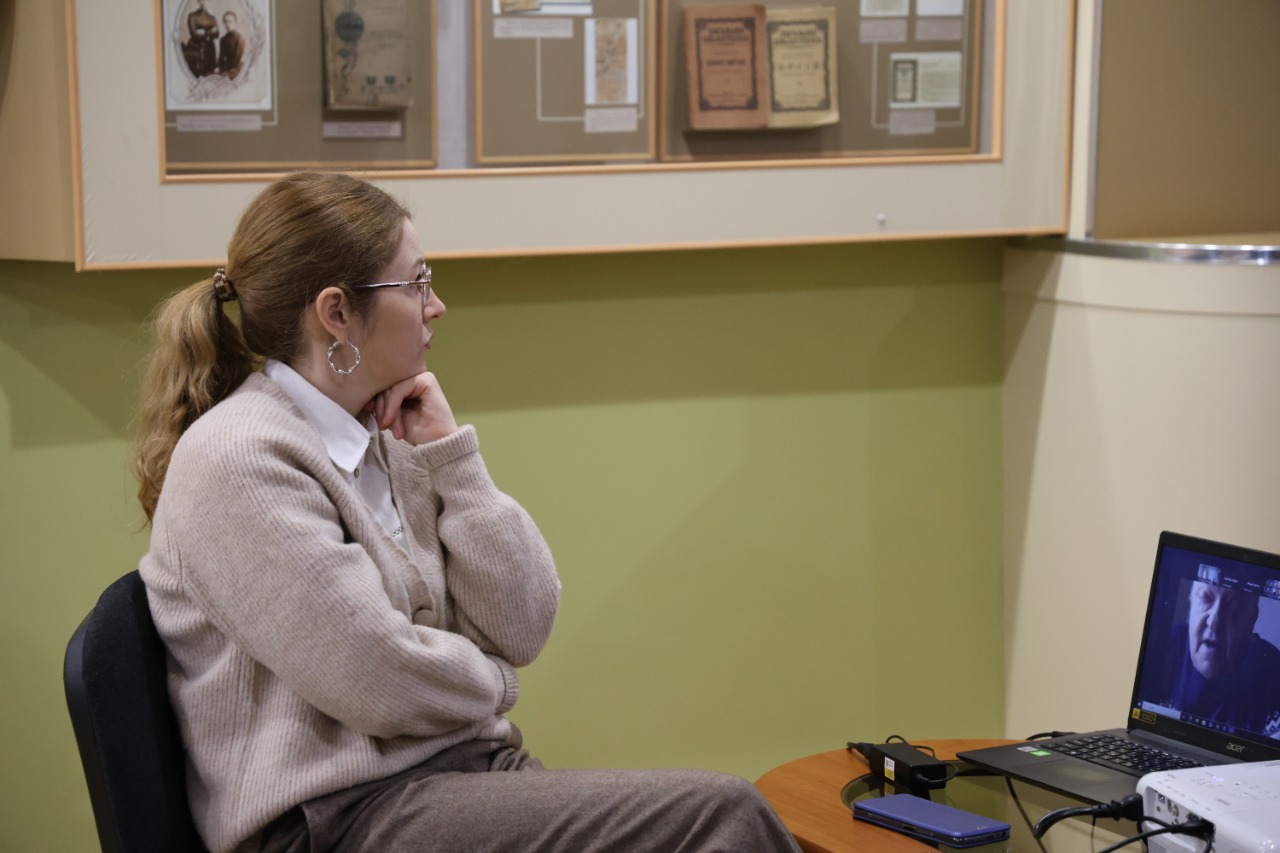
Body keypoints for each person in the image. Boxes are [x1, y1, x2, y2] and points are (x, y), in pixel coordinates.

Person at [134, 172, 801, 853]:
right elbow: (377, 677)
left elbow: (522, 624)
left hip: (452, 776)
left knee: (717, 816)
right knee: (723, 815)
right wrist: (494, 682)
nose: (437, 306)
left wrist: (451, 456)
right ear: (336, 313)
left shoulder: (387, 431)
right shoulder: (239, 459)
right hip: (336, 818)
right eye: (417, 284)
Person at [1149, 571, 1280, 736]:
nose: (1214, 622)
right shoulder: (1162, 647)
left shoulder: (1273, 673)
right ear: (1192, 600)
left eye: (1233, 606)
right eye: (1206, 598)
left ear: (1251, 619)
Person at [182, 0, 218, 77]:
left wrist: (204, 32)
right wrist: (210, 32)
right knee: (197, 73)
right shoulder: (192, 16)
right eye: (202, 1)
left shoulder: (212, 17)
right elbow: (194, 34)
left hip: (210, 48)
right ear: (198, 2)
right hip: (196, 47)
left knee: (210, 73)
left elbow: (217, 33)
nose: (204, 3)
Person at [215, 11, 244, 79]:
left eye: (230, 21)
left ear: (235, 22)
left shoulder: (240, 39)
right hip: (226, 69)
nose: (227, 24)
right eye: (225, 22)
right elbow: (221, 58)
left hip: (237, 69)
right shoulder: (223, 39)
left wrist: (227, 71)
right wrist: (221, 69)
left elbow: (237, 59)